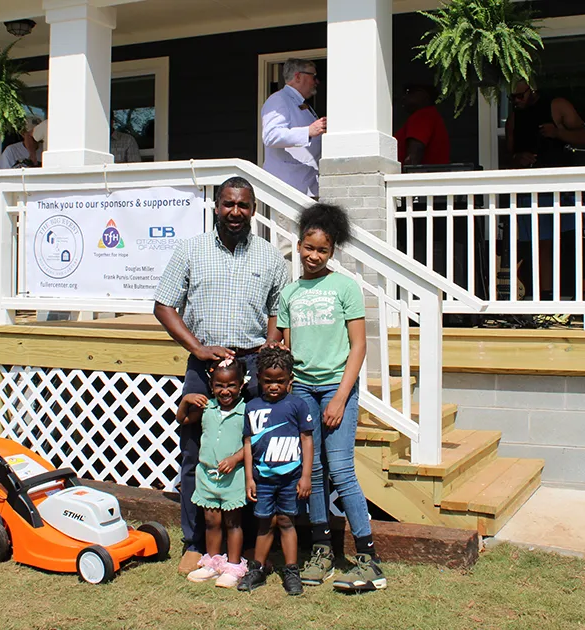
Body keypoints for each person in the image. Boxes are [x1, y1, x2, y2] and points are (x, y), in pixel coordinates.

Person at [153, 176, 290, 575]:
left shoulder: (269, 257)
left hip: (251, 370)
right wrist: (197, 348)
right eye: (228, 204)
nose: (235, 212)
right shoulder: (190, 250)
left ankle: (241, 547)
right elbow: (163, 305)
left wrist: (269, 348)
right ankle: (195, 544)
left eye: (243, 206)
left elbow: (277, 312)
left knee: (255, 452)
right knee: (198, 453)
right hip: (205, 367)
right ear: (216, 206)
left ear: (253, 209)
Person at [273, 203, 386, 593]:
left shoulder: (345, 287)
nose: (313, 255)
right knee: (314, 472)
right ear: (299, 245)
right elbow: (285, 348)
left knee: (340, 469)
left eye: (322, 250)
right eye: (308, 247)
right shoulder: (289, 293)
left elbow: (358, 347)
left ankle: (368, 558)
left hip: (337, 389)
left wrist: (340, 397)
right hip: (302, 389)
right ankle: (321, 550)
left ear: (332, 251)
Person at [237, 346, 314, 595]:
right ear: (259, 379)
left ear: (290, 381)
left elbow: (306, 440)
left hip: (291, 478)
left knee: (286, 520)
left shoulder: (298, 406)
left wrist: (305, 476)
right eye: (268, 381)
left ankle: (291, 571)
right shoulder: (252, 407)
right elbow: (248, 443)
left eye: (280, 381)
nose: (273, 386)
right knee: (264, 523)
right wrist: (249, 477)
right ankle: (257, 569)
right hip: (263, 479)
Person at [504, 79, 585, 296]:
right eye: (511, 98)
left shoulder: (557, 105)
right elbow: (510, 153)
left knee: (572, 242)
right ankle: (546, 297)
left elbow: (584, 136)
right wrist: (518, 158)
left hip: (561, 187)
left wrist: (558, 133)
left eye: (519, 96)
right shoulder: (514, 118)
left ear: (532, 91)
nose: (515, 101)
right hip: (530, 189)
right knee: (540, 244)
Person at [177, 358, 248, 589]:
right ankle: (213, 563)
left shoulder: (245, 410)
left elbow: (252, 442)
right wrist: (186, 400)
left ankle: (234, 566)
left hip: (233, 475)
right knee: (211, 520)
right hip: (207, 475)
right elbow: (183, 419)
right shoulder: (207, 407)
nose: (225, 391)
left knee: (233, 522)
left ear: (241, 385)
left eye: (231, 386)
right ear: (211, 385)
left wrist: (235, 458)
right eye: (219, 386)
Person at [261, 58, 326, 197]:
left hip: (305, 186)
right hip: (288, 188)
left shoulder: (302, 104)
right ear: (298, 76)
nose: (316, 82)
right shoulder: (279, 99)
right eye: (313, 76)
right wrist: (308, 131)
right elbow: (271, 136)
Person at [394, 84, 450, 167]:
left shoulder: (423, 114)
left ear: (424, 95)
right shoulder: (432, 115)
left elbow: (414, 155)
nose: (404, 97)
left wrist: (407, 177)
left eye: (409, 92)